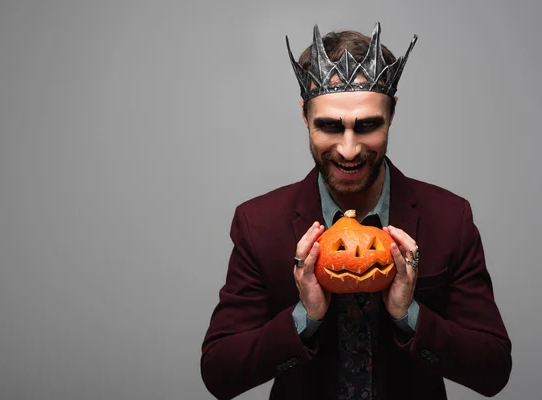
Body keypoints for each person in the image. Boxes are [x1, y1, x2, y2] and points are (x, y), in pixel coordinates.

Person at [200, 22, 512, 400]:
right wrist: (306, 317)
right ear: (305, 117)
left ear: (391, 114)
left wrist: (407, 315)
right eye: (330, 126)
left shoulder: (449, 218)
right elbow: (219, 373)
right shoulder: (258, 223)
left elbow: (493, 370)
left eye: (366, 126)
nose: (348, 149)